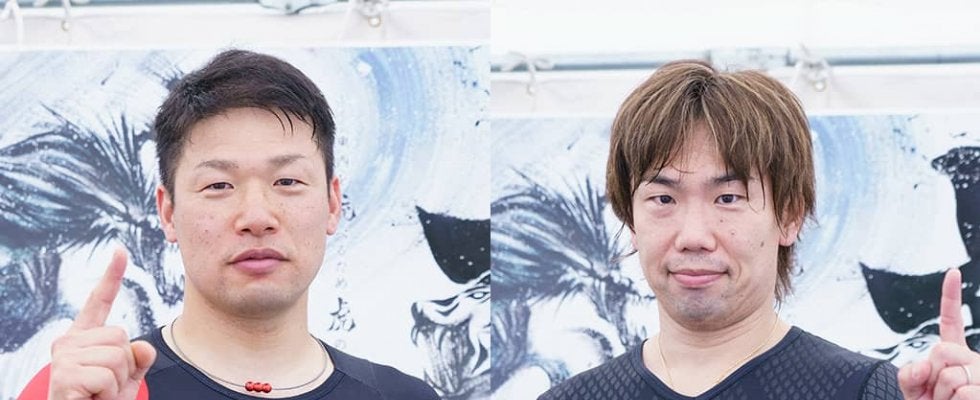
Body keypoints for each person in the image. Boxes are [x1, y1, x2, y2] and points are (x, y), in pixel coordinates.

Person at [17, 49, 440, 400]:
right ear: (168, 212)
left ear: (332, 203)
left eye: (287, 181)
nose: (256, 218)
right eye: (219, 185)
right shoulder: (86, 388)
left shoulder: (401, 396)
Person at [537, 60, 905, 399]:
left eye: (728, 198)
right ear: (631, 220)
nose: (693, 237)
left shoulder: (863, 390)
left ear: (789, 216)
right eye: (664, 199)